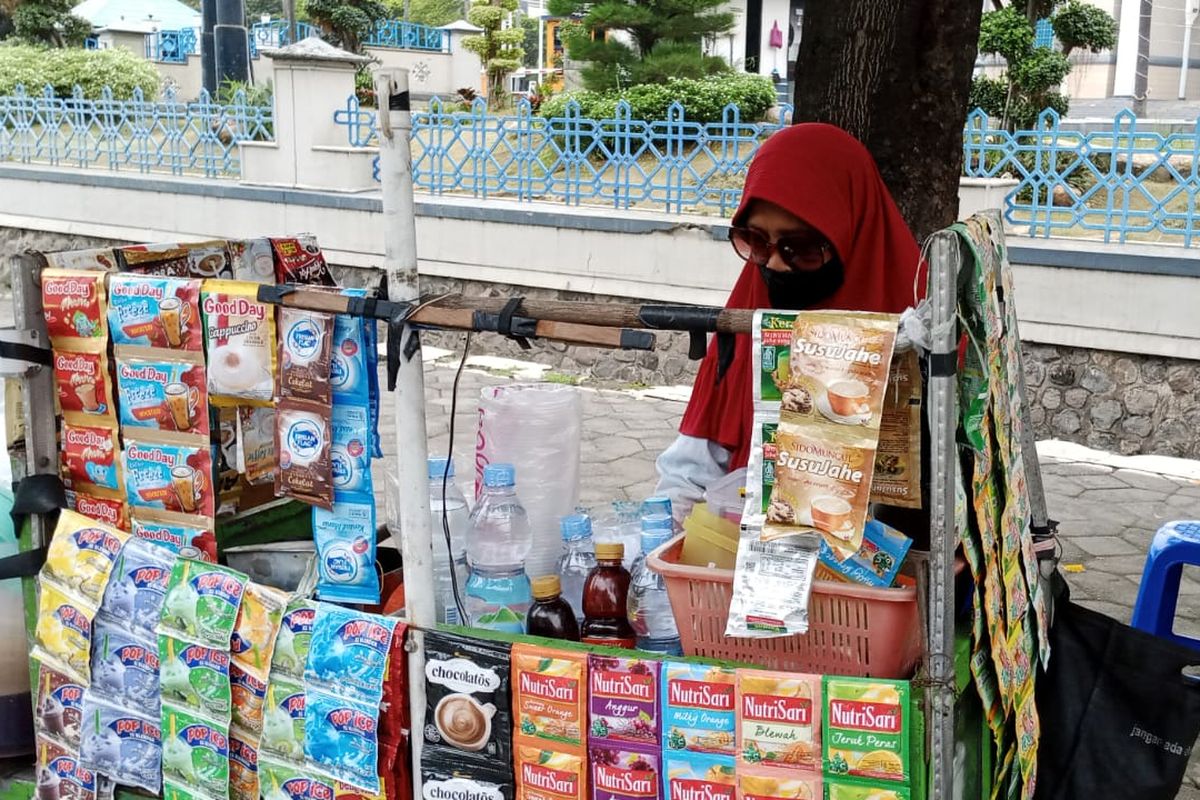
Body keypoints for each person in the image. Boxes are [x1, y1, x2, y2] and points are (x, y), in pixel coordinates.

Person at [655, 122, 926, 521]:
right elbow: (691, 466)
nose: (777, 264)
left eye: (800, 248)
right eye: (757, 242)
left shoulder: (918, 328)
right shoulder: (748, 317)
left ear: (848, 233)